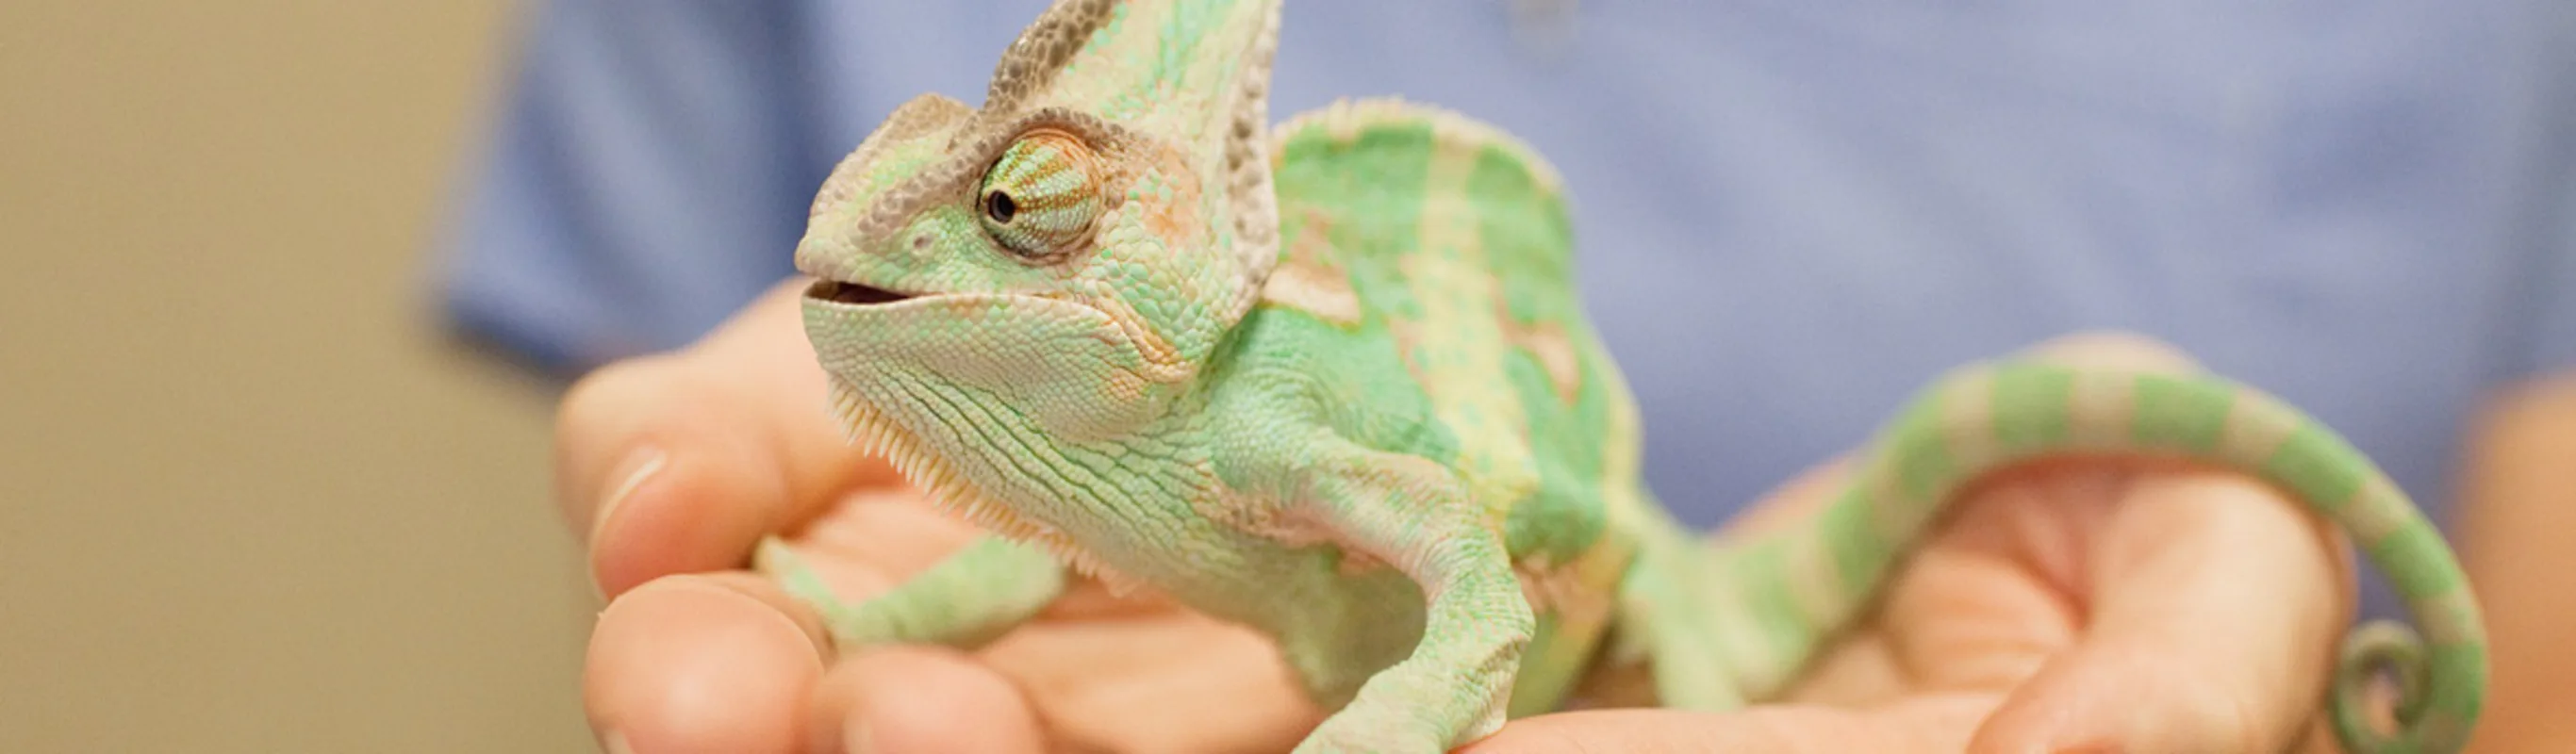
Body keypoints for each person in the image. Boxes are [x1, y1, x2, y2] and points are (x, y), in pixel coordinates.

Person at [443, 2, 2576, 751]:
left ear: (1166, 244)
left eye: (1022, 212)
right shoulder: (1146, 445)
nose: (918, 262)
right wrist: (856, 605)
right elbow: (1022, 587)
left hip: (1650, 611)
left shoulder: (1257, 410)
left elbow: (1469, 579)